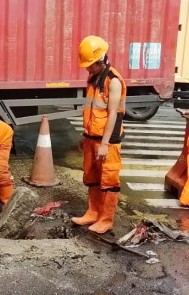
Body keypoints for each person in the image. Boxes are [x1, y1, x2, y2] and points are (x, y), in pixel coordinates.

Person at [71, 35, 126, 234]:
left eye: (91, 64)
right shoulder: (94, 78)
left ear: (102, 60)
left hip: (107, 141)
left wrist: (104, 144)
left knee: (109, 180)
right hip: (91, 138)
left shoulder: (113, 81)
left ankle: (106, 219)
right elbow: (92, 110)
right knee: (92, 177)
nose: (88, 68)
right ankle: (93, 212)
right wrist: (84, 135)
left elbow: (112, 115)